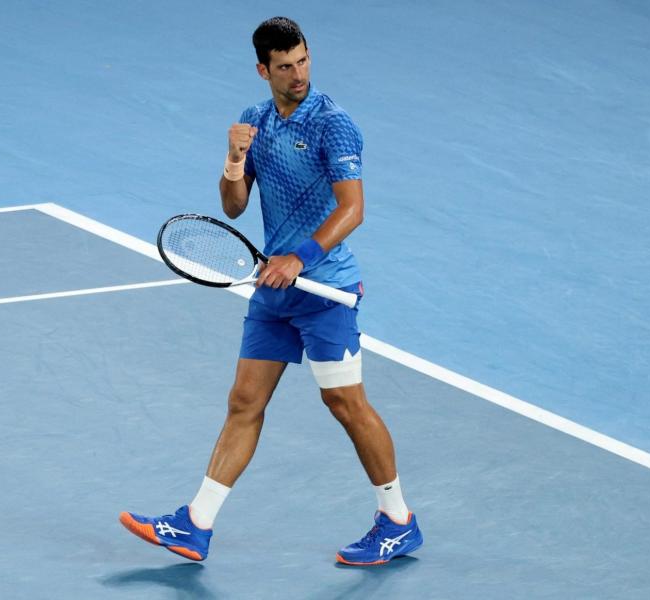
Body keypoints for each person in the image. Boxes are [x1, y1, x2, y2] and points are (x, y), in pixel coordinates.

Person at [119, 16, 423, 566]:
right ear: (263, 70)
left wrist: (298, 257)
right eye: (285, 66)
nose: (298, 73)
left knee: (345, 404)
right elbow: (233, 206)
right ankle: (196, 524)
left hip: (322, 288)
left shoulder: (334, 124)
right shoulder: (253, 121)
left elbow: (352, 209)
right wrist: (234, 160)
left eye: (303, 61)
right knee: (244, 403)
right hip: (273, 292)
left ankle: (398, 520)